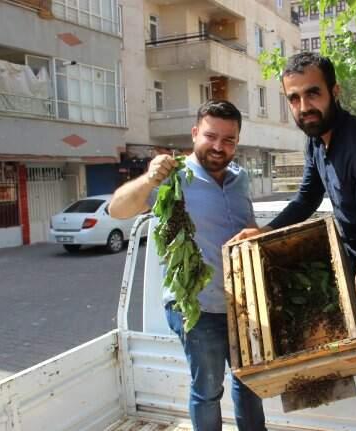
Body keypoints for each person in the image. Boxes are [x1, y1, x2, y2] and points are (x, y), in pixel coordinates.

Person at [231, 52, 356, 431]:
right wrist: (265, 233)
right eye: (294, 99)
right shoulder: (317, 142)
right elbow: (306, 197)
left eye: (313, 94)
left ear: (334, 91)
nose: (304, 107)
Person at [108, 100, 266, 431]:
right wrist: (149, 180)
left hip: (243, 305)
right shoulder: (173, 178)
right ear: (195, 133)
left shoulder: (240, 179)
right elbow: (117, 210)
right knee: (208, 390)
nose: (219, 147)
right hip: (197, 308)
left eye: (229, 140)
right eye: (211, 136)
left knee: (252, 384)